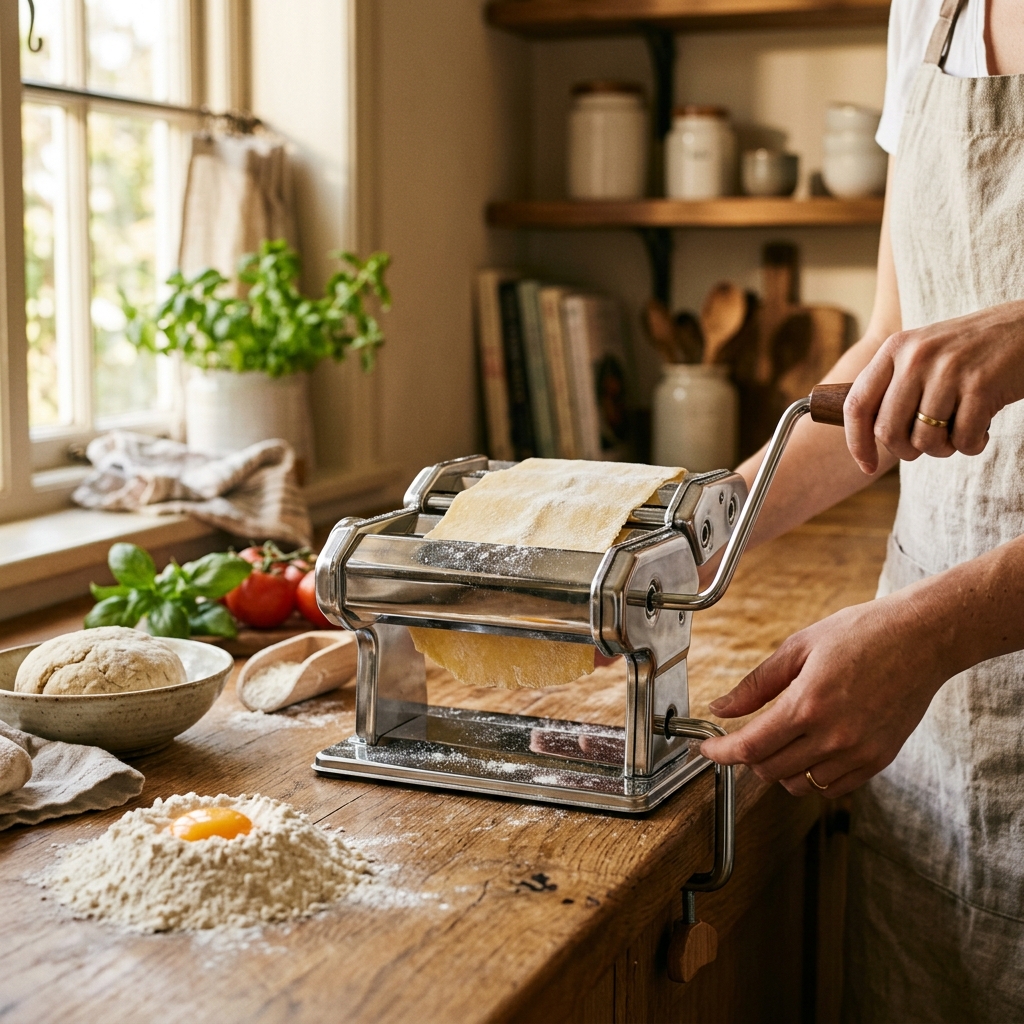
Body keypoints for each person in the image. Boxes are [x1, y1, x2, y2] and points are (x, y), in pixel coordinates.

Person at [696, 0, 1024, 1019]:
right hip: (937, 724)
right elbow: (889, 342)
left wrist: (936, 629)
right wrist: (704, 522)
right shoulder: (928, 11)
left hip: (936, 636)